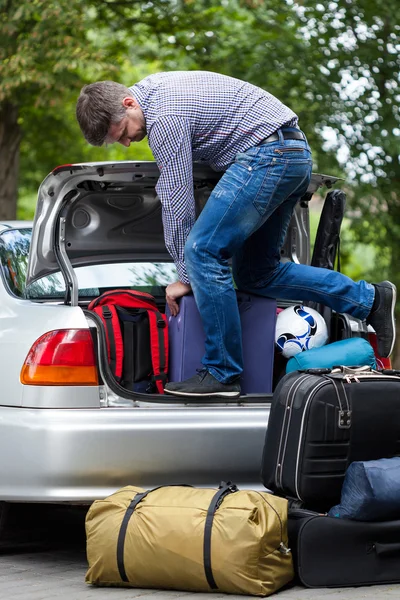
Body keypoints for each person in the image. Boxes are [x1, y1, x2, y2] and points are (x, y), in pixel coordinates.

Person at [76, 71, 396, 398]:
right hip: (293, 154)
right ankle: (368, 299)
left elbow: (177, 201)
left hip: (267, 157)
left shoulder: (165, 119)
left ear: (129, 103)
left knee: (202, 250)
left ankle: (222, 371)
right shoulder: (157, 89)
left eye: (123, 133)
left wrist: (185, 276)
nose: (128, 142)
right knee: (257, 274)